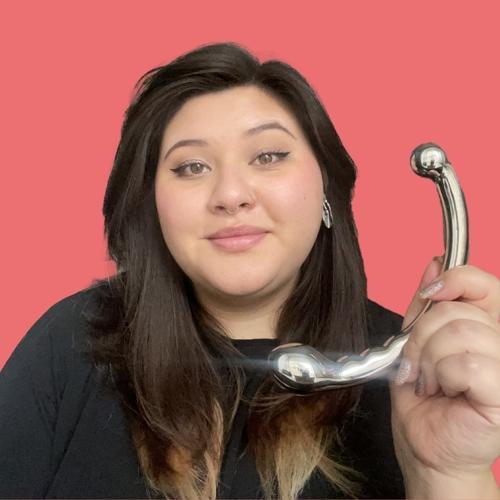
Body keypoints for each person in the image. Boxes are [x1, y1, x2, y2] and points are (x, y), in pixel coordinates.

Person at [1, 42, 499, 500]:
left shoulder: (423, 374)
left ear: (326, 191)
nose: (230, 195)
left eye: (268, 156)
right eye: (191, 167)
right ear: (153, 207)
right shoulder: (69, 346)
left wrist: (447, 475)